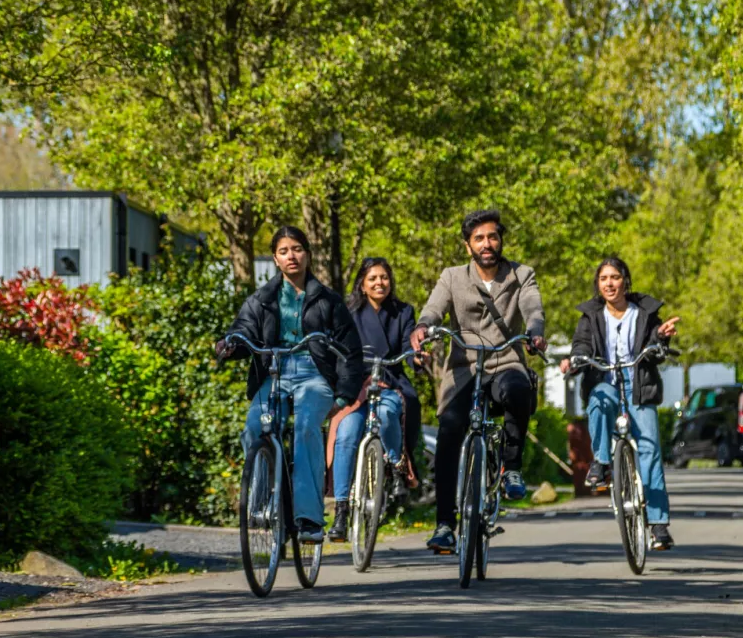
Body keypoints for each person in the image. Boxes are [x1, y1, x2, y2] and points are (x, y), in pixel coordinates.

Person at [409, 209, 547, 555]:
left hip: (506, 359)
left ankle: (511, 468)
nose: (487, 244)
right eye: (479, 238)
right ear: (468, 245)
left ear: (501, 240)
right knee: (449, 431)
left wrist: (535, 332)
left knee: (518, 389)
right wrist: (424, 326)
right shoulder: (453, 276)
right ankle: (444, 525)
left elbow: (533, 307)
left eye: (493, 237)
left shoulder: (521, 274)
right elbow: (433, 307)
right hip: (464, 366)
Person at [216, 226, 363, 543]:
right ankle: (262, 502)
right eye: (283, 251)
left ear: (307, 254)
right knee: (255, 425)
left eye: (297, 249)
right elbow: (243, 331)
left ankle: (309, 518)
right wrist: (229, 344)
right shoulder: (262, 299)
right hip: (273, 373)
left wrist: (344, 396)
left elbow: (350, 352)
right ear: (275, 259)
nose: (291, 256)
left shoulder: (328, 300)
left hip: (315, 374)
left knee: (307, 426)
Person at [560, 256, 680, 550]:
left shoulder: (645, 312)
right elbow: (582, 345)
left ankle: (658, 525)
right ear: (598, 285)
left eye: (614, 277)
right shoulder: (590, 316)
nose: (609, 283)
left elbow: (654, 342)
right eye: (604, 279)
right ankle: (601, 462)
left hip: (638, 384)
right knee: (599, 401)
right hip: (605, 381)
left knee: (650, 449)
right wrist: (574, 361)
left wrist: (660, 338)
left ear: (625, 280)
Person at [325, 257, 420, 542]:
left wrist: (417, 356)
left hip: (389, 380)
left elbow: (408, 347)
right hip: (355, 385)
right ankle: (341, 509)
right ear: (363, 285)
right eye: (373, 279)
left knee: (391, 413)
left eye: (384, 277)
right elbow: (336, 345)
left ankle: (396, 465)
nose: (380, 283)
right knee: (347, 432)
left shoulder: (404, 312)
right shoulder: (348, 312)